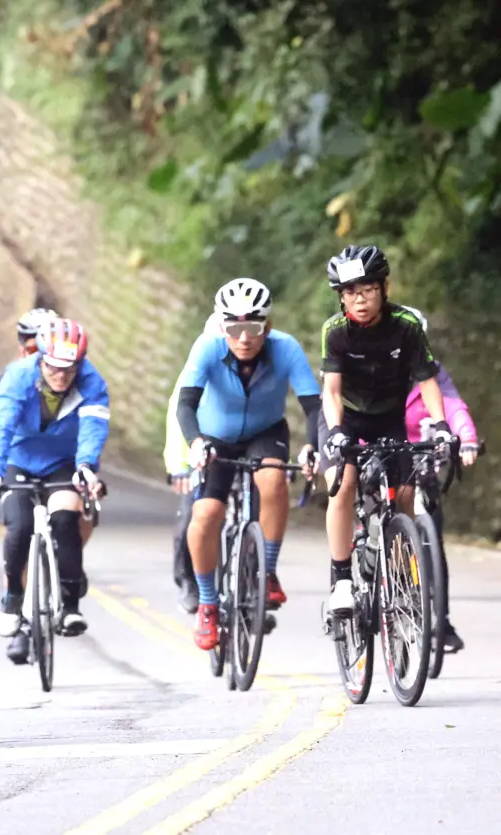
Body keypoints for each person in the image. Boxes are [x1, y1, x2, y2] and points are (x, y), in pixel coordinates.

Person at [177, 278, 321, 651]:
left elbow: (313, 406)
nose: (244, 338)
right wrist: (195, 443)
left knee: (273, 482)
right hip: (216, 436)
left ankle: (268, 570)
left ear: (267, 327)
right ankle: (208, 603)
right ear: (222, 327)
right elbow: (185, 404)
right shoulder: (207, 348)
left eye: (253, 328)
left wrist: (311, 447)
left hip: (264, 430)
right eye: (235, 329)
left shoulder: (285, 349)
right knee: (206, 515)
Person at [320, 245, 455, 620]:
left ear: (383, 287)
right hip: (344, 418)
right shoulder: (336, 331)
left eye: (366, 289)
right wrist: (334, 431)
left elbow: (427, 380)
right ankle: (342, 579)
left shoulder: (407, 326)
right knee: (343, 485)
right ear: (341, 297)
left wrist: (442, 425)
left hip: (388, 417)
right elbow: (331, 391)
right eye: (349, 292)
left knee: (406, 493)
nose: (358, 300)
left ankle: (398, 577)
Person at [0, 317, 110, 663]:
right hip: (19, 459)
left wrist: (86, 467)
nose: (61, 376)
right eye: (53, 367)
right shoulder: (18, 375)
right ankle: (12, 600)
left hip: (63, 461)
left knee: (67, 516)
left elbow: (93, 428)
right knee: (19, 526)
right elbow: (1, 426)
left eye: (70, 369)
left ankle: (70, 606)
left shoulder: (92, 381)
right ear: (41, 358)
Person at [398, 305, 478, 654]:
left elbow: (454, 407)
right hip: (385, 455)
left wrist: (467, 439)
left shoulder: (431, 370)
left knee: (434, 538)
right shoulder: (372, 366)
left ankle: (440, 620)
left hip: (424, 458)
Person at [163, 312, 224, 615]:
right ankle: (189, 581)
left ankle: (254, 584)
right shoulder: (195, 371)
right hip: (197, 455)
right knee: (190, 517)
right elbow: (178, 420)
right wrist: (178, 467)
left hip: (231, 451)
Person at [0, 307, 60, 397]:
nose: (41, 358)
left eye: (48, 350)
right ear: (22, 350)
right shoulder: (8, 380)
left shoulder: (76, 374)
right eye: (34, 350)